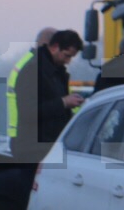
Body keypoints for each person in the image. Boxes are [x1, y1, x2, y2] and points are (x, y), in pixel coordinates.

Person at [12, 30, 84, 164]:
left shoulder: (56, 72)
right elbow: (27, 112)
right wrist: (63, 102)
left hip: (47, 148)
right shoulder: (32, 70)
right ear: (55, 47)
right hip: (33, 151)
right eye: (67, 55)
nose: (68, 61)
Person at [5, 26, 57, 144]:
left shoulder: (28, 63)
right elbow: (33, 109)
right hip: (32, 139)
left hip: (24, 136)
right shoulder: (34, 67)